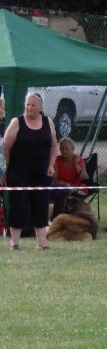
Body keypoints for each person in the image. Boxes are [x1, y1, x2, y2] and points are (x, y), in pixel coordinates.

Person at [1, 92, 57, 250]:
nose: (29, 107)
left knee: (41, 205)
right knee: (19, 205)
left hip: (42, 172)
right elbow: (6, 147)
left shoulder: (48, 122)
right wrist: (7, 169)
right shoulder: (17, 122)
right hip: (19, 172)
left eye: (33, 105)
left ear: (40, 107)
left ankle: (42, 243)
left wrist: (51, 164)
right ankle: (15, 242)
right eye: (27, 104)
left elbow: (54, 145)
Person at [50, 137, 89, 220]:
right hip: (61, 185)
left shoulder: (79, 160)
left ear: (73, 149)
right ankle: (56, 216)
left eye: (67, 149)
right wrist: (63, 184)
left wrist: (77, 165)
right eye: (62, 149)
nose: (64, 151)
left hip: (77, 186)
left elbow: (85, 177)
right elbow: (54, 179)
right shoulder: (57, 160)